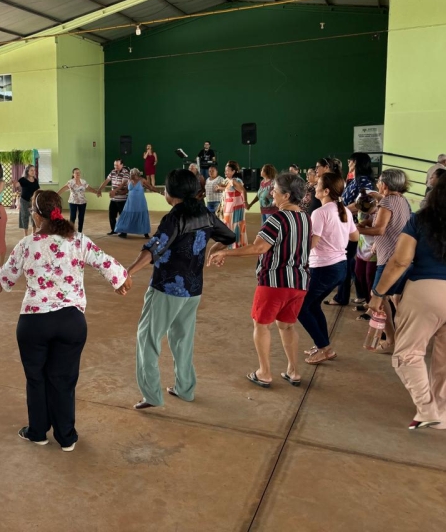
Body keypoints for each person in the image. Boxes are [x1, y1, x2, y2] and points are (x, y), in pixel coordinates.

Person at [0, 190, 131, 451]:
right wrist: (121, 280)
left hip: (34, 322)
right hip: (71, 322)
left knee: (36, 378)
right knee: (63, 380)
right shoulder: (78, 241)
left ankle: (37, 432)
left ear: (35, 215)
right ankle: (66, 437)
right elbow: (106, 263)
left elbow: (4, 280)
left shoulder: (27, 244)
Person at [126, 169, 236, 409]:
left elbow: (153, 248)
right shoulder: (206, 214)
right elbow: (229, 235)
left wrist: (128, 273)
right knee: (182, 340)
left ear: (170, 194)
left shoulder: (174, 218)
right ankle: (185, 390)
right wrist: (217, 249)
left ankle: (152, 396)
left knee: (148, 339)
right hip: (194, 289)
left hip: (167, 288)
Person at [367, 172, 446, 430]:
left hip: (426, 292)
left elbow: (400, 261)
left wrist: (378, 293)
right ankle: (441, 417)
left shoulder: (420, 221)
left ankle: (427, 408)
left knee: (408, 353)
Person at [208, 174, 311, 388]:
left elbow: (258, 247)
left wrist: (226, 253)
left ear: (287, 195)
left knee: (262, 325)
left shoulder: (278, 219)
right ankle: (293, 370)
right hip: (298, 282)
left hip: (274, 282)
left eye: (275, 189)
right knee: (287, 326)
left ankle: (264, 372)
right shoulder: (305, 218)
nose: (271, 192)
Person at [297, 174, 359, 364]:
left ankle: (325, 348)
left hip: (323, 268)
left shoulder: (320, 213)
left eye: (319, 184)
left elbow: (312, 243)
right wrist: (341, 254)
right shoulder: (344, 211)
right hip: (339, 268)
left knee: (301, 308)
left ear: (326, 191)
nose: (315, 186)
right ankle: (322, 344)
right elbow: (354, 237)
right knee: (313, 305)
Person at [354, 169, 412, 353]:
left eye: (379, 182)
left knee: (378, 296)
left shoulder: (387, 201)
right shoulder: (403, 201)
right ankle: (400, 337)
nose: (378, 185)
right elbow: (389, 225)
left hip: (389, 258)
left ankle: (391, 340)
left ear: (384, 185)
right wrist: (366, 225)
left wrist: (356, 231)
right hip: (402, 255)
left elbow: (379, 230)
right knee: (394, 297)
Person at [329, 152, 376, 306]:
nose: (348, 162)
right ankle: (359, 294)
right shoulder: (355, 180)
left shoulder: (363, 181)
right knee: (350, 262)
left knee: (347, 261)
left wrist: (341, 210)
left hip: (356, 226)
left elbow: (364, 203)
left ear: (355, 162)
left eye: (350, 160)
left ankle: (345, 296)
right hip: (349, 225)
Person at [353, 192, 378, 320]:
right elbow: (367, 219)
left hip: (375, 247)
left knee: (370, 277)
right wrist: (363, 224)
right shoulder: (362, 204)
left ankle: (372, 308)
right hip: (363, 245)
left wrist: (359, 229)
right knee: (359, 273)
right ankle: (368, 301)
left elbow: (382, 229)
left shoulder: (382, 211)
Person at [114, 168, 159, 238]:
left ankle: (145, 232)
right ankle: (123, 232)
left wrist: (159, 192)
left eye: (131, 174)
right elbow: (125, 191)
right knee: (126, 215)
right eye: (130, 174)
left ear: (135, 174)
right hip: (130, 203)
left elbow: (150, 187)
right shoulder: (128, 181)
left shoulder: (142, 180)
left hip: (140, 202)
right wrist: (116, 193)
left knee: (142, 215)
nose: (130, 175)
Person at [58, 168, 99, 233]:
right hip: (73, 202)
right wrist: (57, 194)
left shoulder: (83, 182)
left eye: (79, 173)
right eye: (76, 173)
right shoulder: (70, 182)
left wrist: (97, 192)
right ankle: (71, 232)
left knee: (81, 217)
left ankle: (80, 232)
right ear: (73, 174)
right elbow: (64, 188)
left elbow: (89, 188)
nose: (78, 174)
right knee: (73, 217)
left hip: (82, 202)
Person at [219, 160, 248, 249]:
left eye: (228, 170)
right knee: (229, 224)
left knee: (235, 225)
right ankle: (232, 243)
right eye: (225, 170)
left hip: (235, 207)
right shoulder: (227, 180)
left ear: (233, 171)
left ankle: (235, 244)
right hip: (229, 206)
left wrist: (245, 202)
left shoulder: (236, 180)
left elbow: (243, 190)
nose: (226, 172)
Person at [97, 159, 130, 236]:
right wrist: (99, 189)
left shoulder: (126, 173)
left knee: (123, 216)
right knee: (111, 215)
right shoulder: (112, 172)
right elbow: (106, 181)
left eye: (118, 165)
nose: (116, 167)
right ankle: (114, 229)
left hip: (122, 199)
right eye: (115, 165)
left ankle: (123, 232)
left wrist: (114, 191)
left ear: (122, 165)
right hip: (113, 198)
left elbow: (123, 184)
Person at [16, 165, 40, 237]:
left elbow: (38, 189)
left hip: (33, 201)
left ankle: (33, 233)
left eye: (34, 170)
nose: (33, 172)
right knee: (25, 216)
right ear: (27, 171)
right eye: (31, 170)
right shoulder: (23, 179)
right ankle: (25, 235)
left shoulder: (35, 180)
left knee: (34, 216)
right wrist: (13, 182)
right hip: (24, 201)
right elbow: (16, 185)